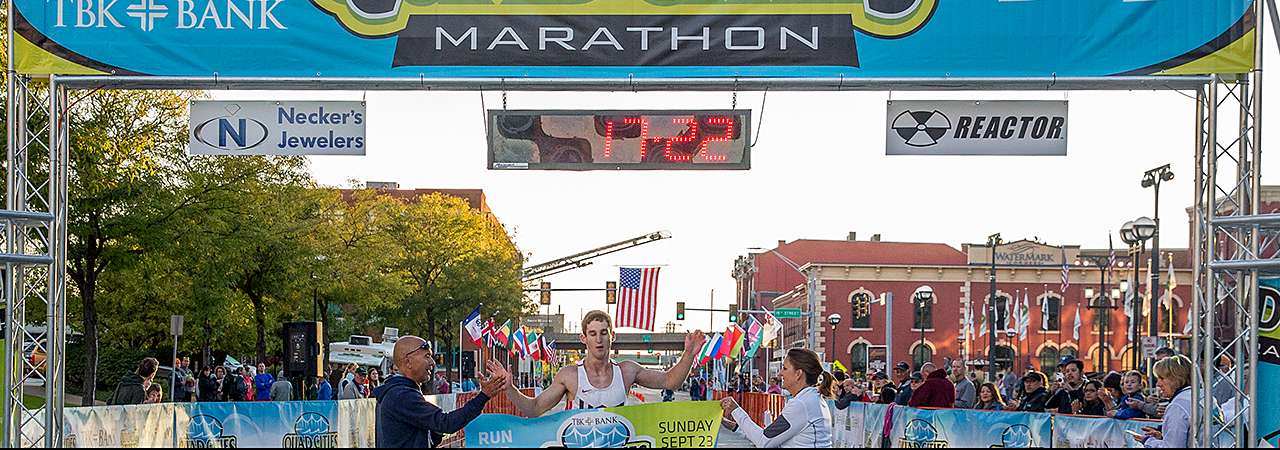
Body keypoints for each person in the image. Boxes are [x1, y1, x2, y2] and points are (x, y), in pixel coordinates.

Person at [505, 310, 705, 415]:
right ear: (584, 338)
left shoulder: (627, 371)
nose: (598, 339)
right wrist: (510, 388)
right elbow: (535, 408)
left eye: (603, 333)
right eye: (592, 334)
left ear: (612, 336)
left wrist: (688, 353)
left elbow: (670, 382)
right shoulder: (570, 375)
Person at [374, 336, 509, 448]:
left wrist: (435, 430)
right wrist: (484, 396)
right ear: (408, 361)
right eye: (427, 356)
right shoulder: (401, 395)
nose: (433, 362)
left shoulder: (395, 392)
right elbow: (446, 423)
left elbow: (428, 433)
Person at [720, 348, 833, 448]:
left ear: (798, 374)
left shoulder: (801, 404)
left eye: (784, 368)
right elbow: (772, 439)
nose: (780, 374)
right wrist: (736, 427)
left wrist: (736, 410)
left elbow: (763, 441)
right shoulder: (811, 399)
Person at [1134, 355, 1193, 448]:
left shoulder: (1178, 405)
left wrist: (1148, 441)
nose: (1158, 384)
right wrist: (1162, 436)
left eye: (1162, 378)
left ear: (1176, 378)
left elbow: (1172, 447)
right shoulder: (1203, 396)